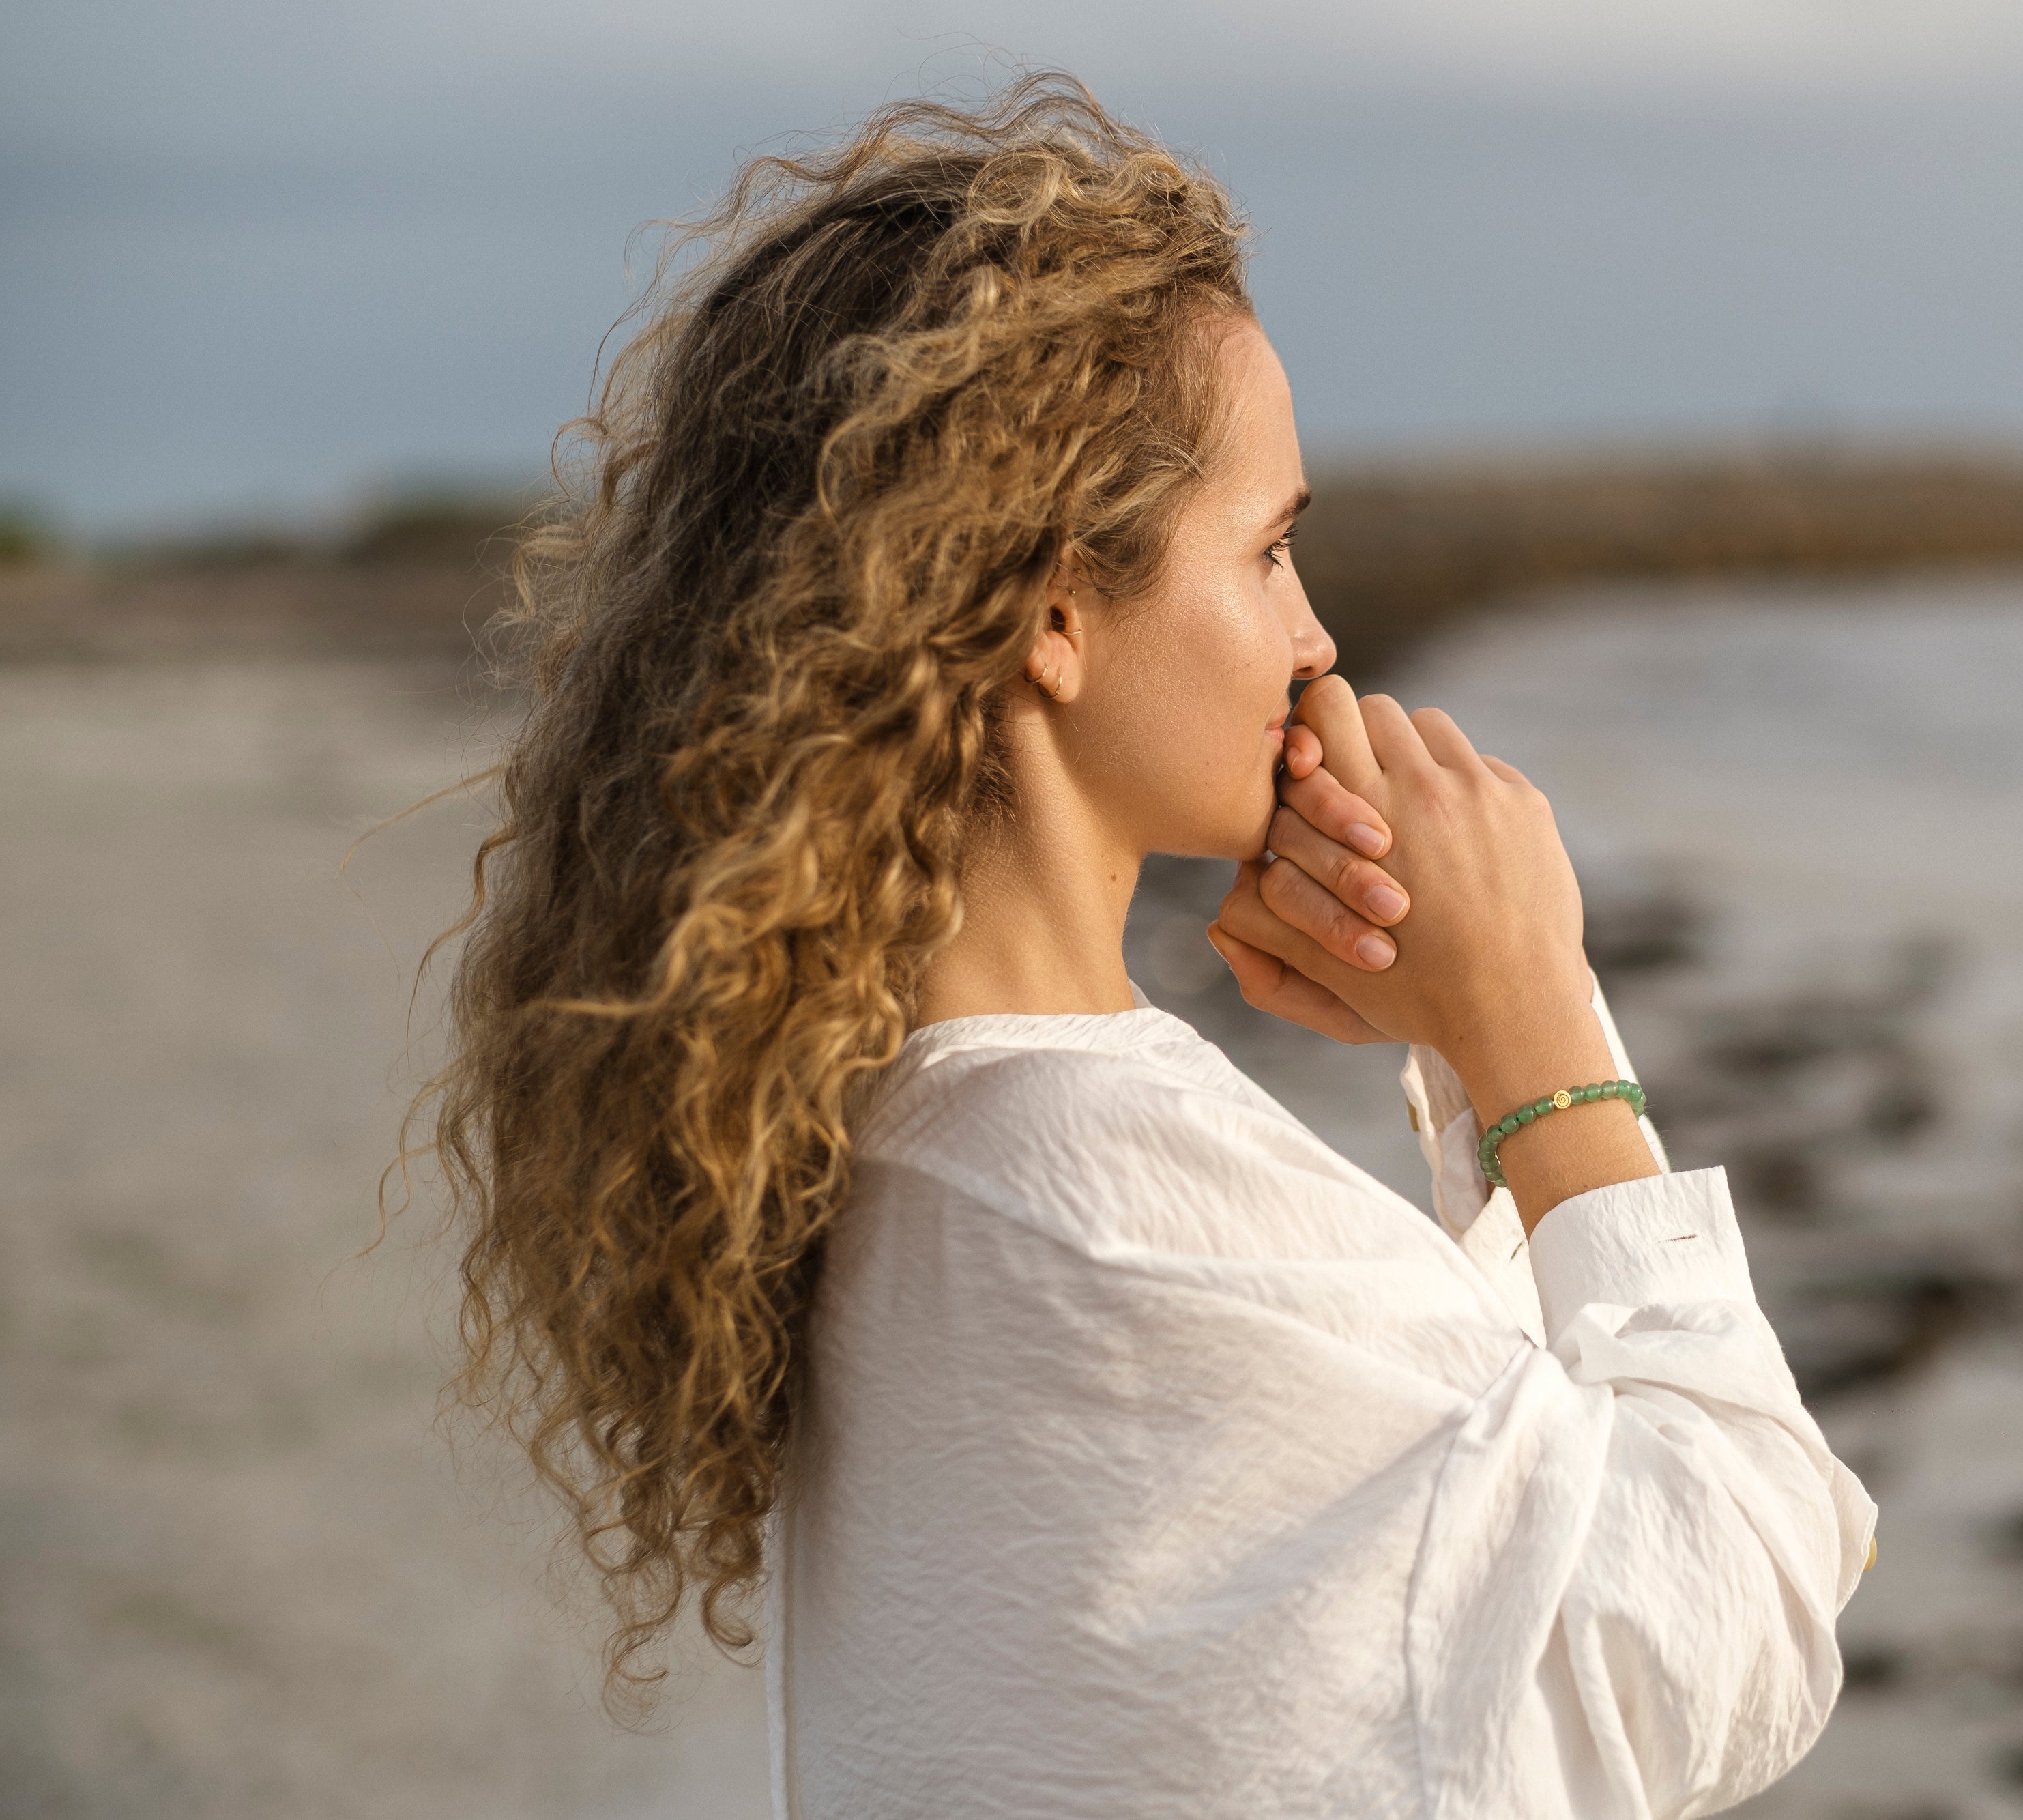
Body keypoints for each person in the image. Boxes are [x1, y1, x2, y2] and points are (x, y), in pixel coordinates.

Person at [421, 74, 1874, 1820]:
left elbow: (1446, 1577)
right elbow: (1734, 1613)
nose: (1314, 633)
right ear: (1048, 608)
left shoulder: (894, 1143)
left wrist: (1458, 1060)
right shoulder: (1101, 1185)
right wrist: (1532, 1026)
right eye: (1264, 551)